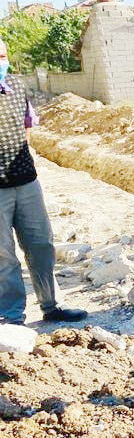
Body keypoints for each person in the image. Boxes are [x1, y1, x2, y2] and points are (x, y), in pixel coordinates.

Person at [0, 38, 87, 326]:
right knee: (4, 256)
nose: (1, 61)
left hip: (27, 182)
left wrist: (23, 159)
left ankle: (52, 306)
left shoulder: (17, 87)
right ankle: (11, 317)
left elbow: (27, 125)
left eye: (2, 55)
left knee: (41, 245)